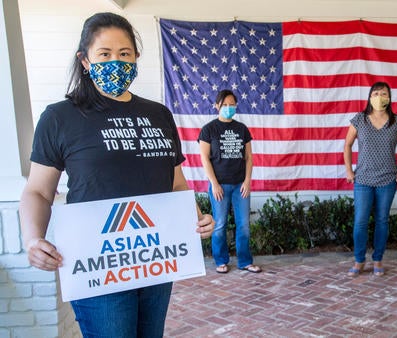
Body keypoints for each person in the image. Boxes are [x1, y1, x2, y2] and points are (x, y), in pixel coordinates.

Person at [18, 12, 214, 338]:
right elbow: (38, 191)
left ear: (136, 57)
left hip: (154, 259)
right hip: (97, 267)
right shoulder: (60, 118)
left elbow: (175, 182)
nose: (116, 62)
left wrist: (196, 217)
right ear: (85, 60)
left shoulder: (158, 114)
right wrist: (32, 238)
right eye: (104, 54)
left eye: (124, 54)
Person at [343, 81, 397, 277]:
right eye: (375, 93)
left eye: (383, 93)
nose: (379, 97)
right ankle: (359, 261)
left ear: (389, 98)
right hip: (363, 179)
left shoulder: (396, 121)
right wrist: (349, 171)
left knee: (382, 221)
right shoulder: (360, 119)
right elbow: (347, 145)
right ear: (369, 97)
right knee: (360, 222)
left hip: (388, 180)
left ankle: (378, 259)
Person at [198, 89, 261, 274]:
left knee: (244, 225)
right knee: (219, 225)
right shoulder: (209, 129)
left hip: (240, 185)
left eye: (232, 104)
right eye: (224, 105)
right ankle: (221, 260)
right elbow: (204, 158)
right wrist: (215, 184)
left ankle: (245, 261)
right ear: (217, 106)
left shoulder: (242, 129)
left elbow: (249, 157)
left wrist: (247, 181)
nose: (228, 108)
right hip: (220, 186)